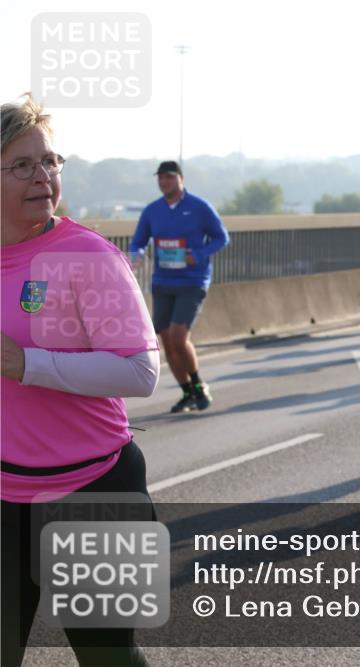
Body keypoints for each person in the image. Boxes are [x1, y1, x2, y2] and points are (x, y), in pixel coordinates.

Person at [2, 94, 159, 667]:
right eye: (23, 165)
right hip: (5, 495)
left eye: (50, 161)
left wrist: (28, 363)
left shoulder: (87, 256)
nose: (42, 177)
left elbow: (140, 371)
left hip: (93, 493)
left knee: (107, 659)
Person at [130, 160, 229, 414]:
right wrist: (137, 254)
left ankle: (198, 385)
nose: (164, 182)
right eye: (161, 178)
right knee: (167, 340)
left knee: (178, 336)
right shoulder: (152, 211)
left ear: (181, 179)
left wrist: (199, 254)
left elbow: (221, 237)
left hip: (192, 280)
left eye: (169, 177)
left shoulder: (199, 207)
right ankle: (187, 392)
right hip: (163, 281)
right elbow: (138, 241)